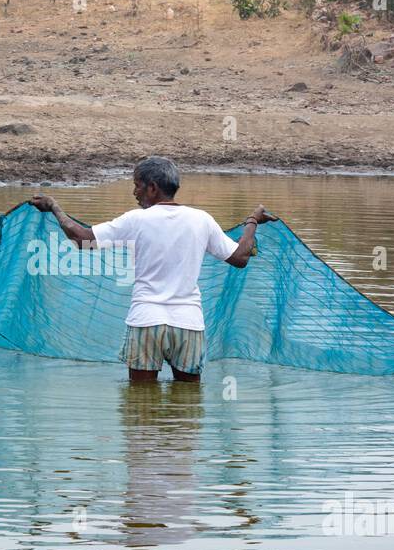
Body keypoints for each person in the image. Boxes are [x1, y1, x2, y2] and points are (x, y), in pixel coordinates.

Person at [29, 156, 276, 383]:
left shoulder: (136, 220)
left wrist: (54, 207)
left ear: (153, 187)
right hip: (188, 324)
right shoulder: (201, 219)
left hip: (146, 321)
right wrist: (252, 221)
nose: (134, 192)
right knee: (187, 403)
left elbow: (82, 239)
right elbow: (240, 258)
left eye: (137, 185)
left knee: (140, 401)